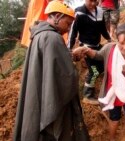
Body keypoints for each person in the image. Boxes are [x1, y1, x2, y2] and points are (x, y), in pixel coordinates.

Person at [13, 0, 90, 141]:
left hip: (38, 97)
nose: (68, 29)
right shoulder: (53, 38)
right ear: (57, 16)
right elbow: (66, 77)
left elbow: (51, 64)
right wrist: (74, 67)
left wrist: (70, 55)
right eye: (67, 23)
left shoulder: (40, 35)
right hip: (51, 104)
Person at [73, 23, 125, 141]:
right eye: (121, 43)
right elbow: (97, 55)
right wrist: (84, 49)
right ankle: (112, 139)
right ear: (116, 40)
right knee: (114, 119)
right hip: (113, 94)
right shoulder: (110, 49)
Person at [68, 0, 111, 104]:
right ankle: (88, 95)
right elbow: (73, 32)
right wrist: (69, 49)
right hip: (85, 48)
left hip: (97, 46)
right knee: (94, 71)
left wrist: (109, 39)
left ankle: (100, 83)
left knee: (106, 62)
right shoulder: (79, 12)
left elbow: (103, 29)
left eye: (95, 1)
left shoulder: (100, 11)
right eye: (91, 1)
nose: (93, 3)